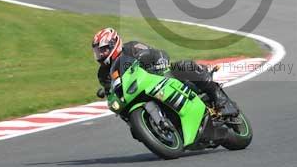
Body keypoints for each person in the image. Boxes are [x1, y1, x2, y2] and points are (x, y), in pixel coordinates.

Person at [92, 27, 238, 116]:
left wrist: (160, 64)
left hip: (160, 75)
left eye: (104, 50)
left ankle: (223, 101)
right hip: (138, 93)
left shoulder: (131, 47)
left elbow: (156, 53)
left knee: (184, 65)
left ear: (114, 44)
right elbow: (111, 90)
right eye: (98, 51)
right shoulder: (103, 73)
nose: (101, 54)